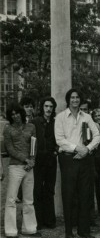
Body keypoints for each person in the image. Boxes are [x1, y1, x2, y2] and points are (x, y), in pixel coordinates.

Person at [55, 88, 100, 238]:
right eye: (72, 98)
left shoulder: (86, 117)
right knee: (68, 194)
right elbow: (59, 140)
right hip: (68, 159)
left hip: (84, 159)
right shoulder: (60, 117)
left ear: (80, 100)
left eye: (77, 98)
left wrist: (87, 149)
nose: (75, 100)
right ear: (68, 100)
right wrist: (77, 148)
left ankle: (84, 230)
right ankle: (69, 230)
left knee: (84, 195)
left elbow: (97, 136)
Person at [3, 104, 40, 238]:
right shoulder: (7, 129)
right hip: (15, 167)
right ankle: (11, 231)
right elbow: (10, 149)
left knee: (29, 200)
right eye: (12, 114)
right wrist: (25, 159)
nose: (15, 116)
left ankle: (29, 229)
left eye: (17, 113)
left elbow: (34, 145)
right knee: (11, 199)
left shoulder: (31, 127)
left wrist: (32, 160)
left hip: (29, 167)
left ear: (21, 113)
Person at [32, 97, 58, 229]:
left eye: (51, 107)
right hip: (37, 161)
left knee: (49, 190)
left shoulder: (55, 122)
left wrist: (56, 151)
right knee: (37, 190)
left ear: (53, 109)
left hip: (51, 161)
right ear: (42, 107)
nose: (48, 109)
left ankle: (49, 220)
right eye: (46, 106)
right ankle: (38, 221)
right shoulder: (35, 122)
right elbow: (31, 140)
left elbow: (59, 139)